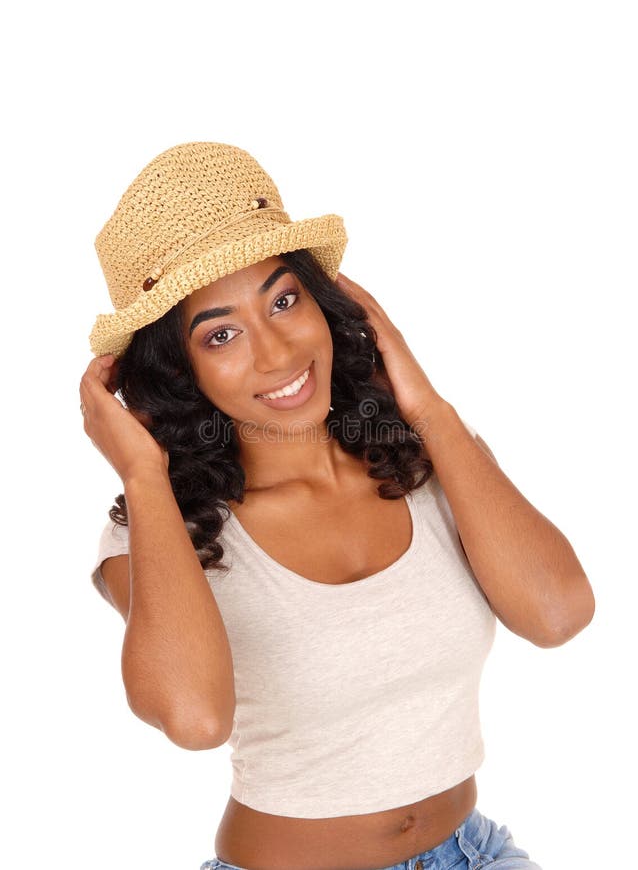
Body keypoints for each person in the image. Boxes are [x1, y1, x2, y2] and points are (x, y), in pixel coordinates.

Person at [81, 142, 594, 870]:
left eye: (285, 300)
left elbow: (558, 614)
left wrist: (428, 406)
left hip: (472, 853)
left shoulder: (426, 457)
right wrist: (141, 472)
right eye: (221, 333)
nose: (276, 351)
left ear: (332, 306)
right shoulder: (162, 526)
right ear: (179, 369)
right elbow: (194, 718)